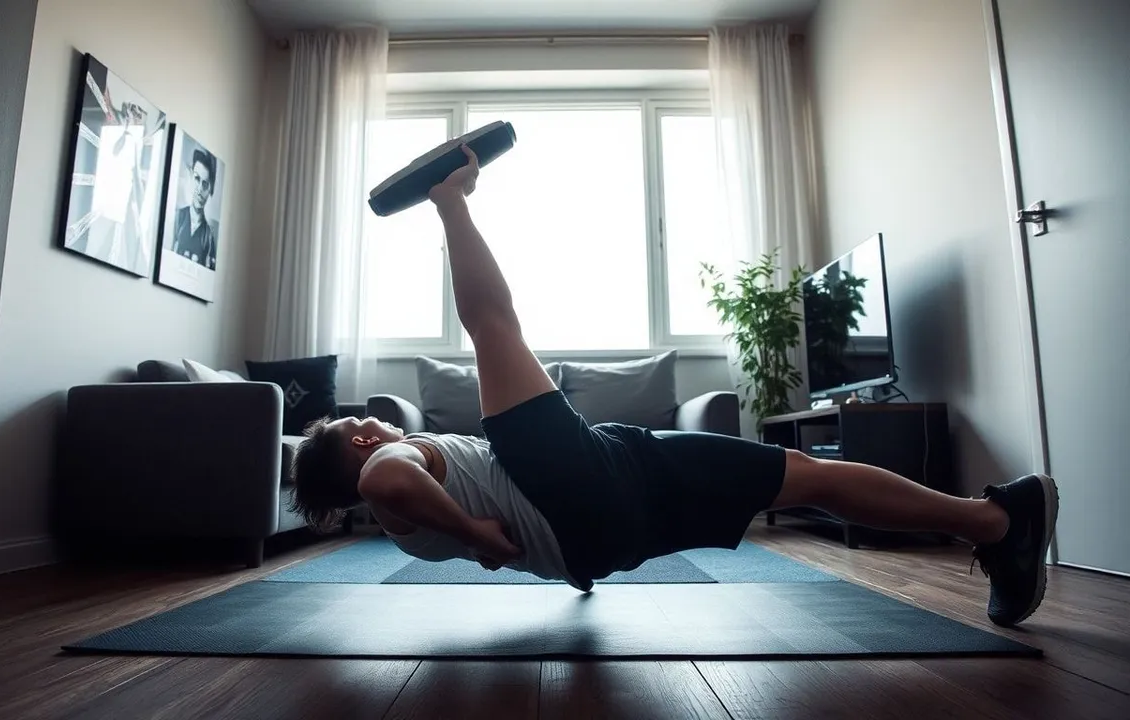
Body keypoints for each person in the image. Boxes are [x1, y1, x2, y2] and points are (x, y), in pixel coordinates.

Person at [290, 144, 1059, 628]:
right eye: (360, 428)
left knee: (803, 481)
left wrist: (544, 558)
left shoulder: (406, 531)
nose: (372, 426)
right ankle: (450, 199)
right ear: (356, 447)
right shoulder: (389, 468)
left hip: (602, 537)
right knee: (494, 325)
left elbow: (405, 495)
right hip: (566, 474)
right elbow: (386, 476)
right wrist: (476, 535)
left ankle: (995, 524)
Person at [171, 147, 219, 269]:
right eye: (197, 179)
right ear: (191, 176)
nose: (199, 190)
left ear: (210, 190)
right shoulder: (177, 218)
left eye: (205, 184)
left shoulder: (209, 238)